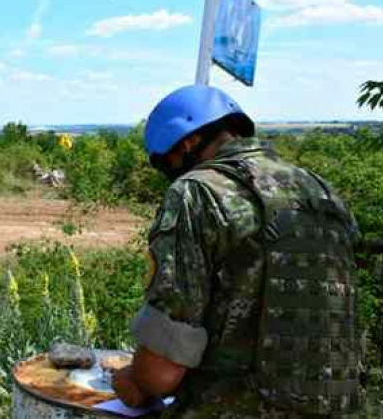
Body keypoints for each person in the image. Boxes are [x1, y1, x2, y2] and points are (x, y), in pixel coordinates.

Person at [112, 85, 363, 418]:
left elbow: (161, 373)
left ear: (186, 144)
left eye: (165, 163)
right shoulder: (319, 188)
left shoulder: (197, 193)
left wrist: (135, 381)